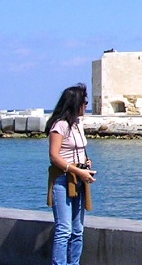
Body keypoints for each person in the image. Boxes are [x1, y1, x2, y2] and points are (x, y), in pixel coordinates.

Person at [46, 83, 96, 265]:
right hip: (62, 179)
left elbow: (79, 149)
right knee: (64, 229)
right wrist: (77, 170)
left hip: (79, 180)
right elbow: (54, 156)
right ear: (75, 103)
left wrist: (86, 163)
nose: (86, 105)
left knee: (78, 230)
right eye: (84, 102)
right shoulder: (59, 126)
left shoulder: (77, 124)